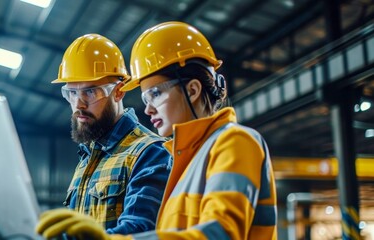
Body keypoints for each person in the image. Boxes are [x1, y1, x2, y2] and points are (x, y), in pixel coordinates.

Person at [37, 22, 277, 239]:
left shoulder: (235, 141)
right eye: (145, 97)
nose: (148, 109)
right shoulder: (186, 163)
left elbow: (219, 233)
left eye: (156, 94)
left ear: (192, 90)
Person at [47, 33, 171, 235]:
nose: (79, 104)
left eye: (90, 92)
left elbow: (139, 231)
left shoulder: (150, 152)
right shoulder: (87, 159)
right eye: (72, 92)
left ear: (119, 92)